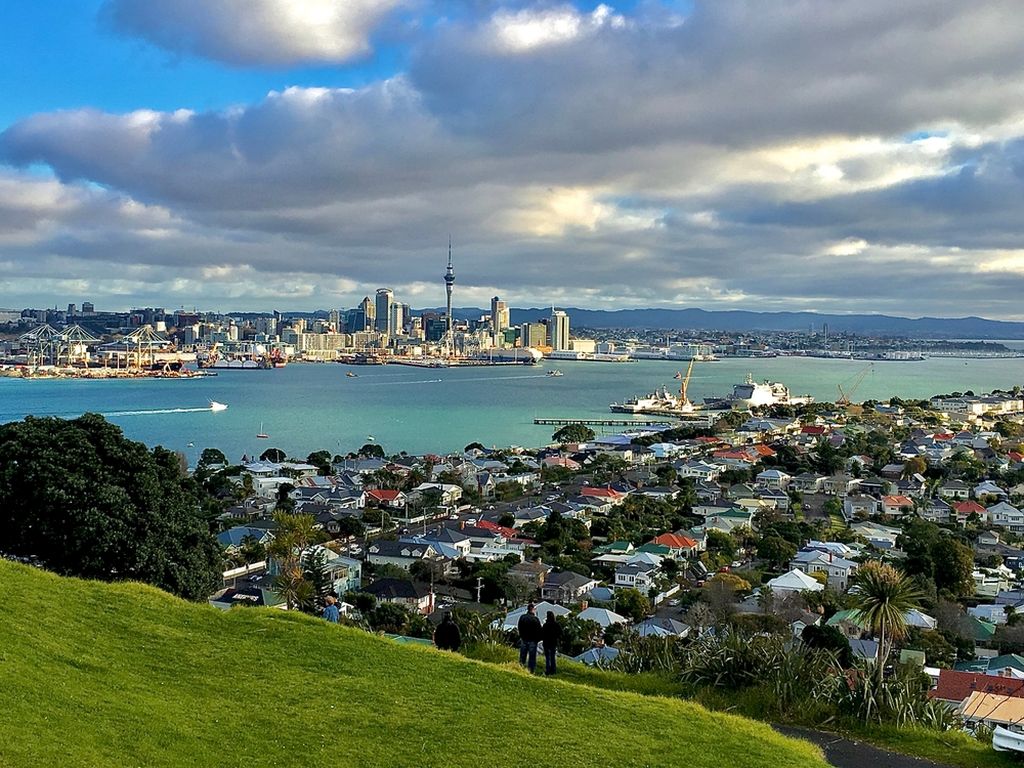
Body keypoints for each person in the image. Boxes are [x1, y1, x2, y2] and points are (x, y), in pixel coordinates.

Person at [517, 602, 542, 673]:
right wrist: (537, 639)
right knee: (532, 656)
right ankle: (531, 670)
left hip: (524, 638)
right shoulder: (535, 619)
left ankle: (520, 667)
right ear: (533, 609)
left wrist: (521, 635)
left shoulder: (522, 617)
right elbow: (539, 630)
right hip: (533, 640)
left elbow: (519, 627)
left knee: (522, 655)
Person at [542, 611, 562, 676]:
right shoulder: (556, 625)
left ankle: (548, 670)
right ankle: (553, 670)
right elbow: (560, 633)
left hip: (546, 643)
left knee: (548, 657)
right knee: (553, 657)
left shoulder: (545, 625)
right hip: (553, 642)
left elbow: (542, 634)